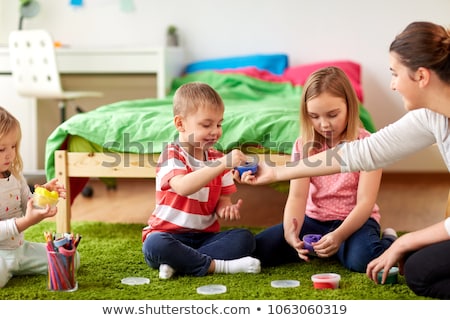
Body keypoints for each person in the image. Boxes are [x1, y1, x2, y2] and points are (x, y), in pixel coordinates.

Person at [237, 21, 450, 299]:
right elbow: (363, 153)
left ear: (421, 76)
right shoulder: (432, 116)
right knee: (418, 269)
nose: (392, 85)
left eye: (395, 74)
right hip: (316, 221)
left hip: (354, 225)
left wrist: (406, 240)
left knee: (396, 260)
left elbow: (362, 161)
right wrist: (276, 172)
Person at [253, 66, 396, 273]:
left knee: (362, 260)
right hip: (314, 221)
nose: (324, 124)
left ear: (349, 106)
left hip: (355, 222)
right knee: (260, 248)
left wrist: (339, 236)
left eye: (332, 114)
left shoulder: (367, 144)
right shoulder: (304, 145)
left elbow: (366, 202)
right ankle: (330, 249)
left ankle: (389, 240)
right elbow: (297, 197)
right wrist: (290, 233)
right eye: (314, 116)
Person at [141, 82, 261, 279]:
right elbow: (183, 186)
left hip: (205, 239)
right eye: (207, 125)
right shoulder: (172, 155)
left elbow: (222, 203)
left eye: (219, 124)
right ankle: (220, 266)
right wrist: (224, 163)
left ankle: (180, 263)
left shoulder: (218, 159)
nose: (215, 131)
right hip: (169, 235)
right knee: (155, 244)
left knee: (244, 238)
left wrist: (226, 210)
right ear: (180, 124)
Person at [0, 106, 68, 288]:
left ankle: (14, 268)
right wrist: (25, 222)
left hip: (21, 250)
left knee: (69, 259)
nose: (9, 154)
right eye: (1, 149)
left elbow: (28, 206)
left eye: (13, 146)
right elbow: (26, 219)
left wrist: (44, 194)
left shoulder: (16, 176)